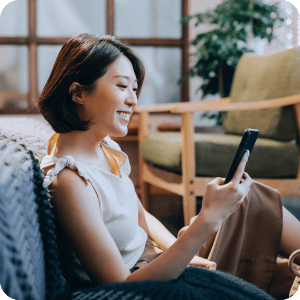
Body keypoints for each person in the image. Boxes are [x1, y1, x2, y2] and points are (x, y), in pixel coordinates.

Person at [38, 33, 300, 299]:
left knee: (248, 195)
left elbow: (141, 217)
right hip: (152, 281)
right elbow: (122, 285)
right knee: (240, 215)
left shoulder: (105, 147)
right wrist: (207, 219)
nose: (133, 100)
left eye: (135, 89)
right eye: (122, 86)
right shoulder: (70, 182)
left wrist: (184, 251)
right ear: (78, 93)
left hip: (163, 258)